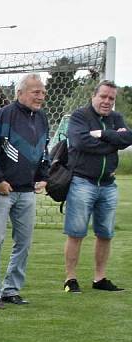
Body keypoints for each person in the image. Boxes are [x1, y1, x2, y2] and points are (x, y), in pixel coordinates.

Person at [0, 74, 49, 308]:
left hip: (26, 191)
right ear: (20, 93)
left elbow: (43, 151)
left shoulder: (42, 119)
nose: (41, 96)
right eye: (35, 91)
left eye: (42, 91)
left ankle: (11, 290)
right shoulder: (3, 115)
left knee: (24, 242)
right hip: (0, 191)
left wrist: (42, 176)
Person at [62, 80, 131, 293]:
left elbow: (128, 137)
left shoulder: (116, 118)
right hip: (82, 182)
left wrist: (101, 134)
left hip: (108, 185)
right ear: (94, 95)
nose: (107, 101)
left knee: (105, 233)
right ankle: (70, 279)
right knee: (76, 232)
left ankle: (99, 279)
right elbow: (81, 142)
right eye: (103, 96)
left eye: (111, 98)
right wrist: (113, 143)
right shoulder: (80, 116)